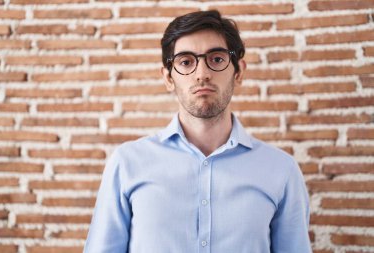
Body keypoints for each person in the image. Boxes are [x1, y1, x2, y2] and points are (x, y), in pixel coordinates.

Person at [84, 10, 312, 253]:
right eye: (186, 62)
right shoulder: (127, 164)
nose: (202, 74)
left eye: (216, 59)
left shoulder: (281, 170)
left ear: (239, 71)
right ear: (168, 78)